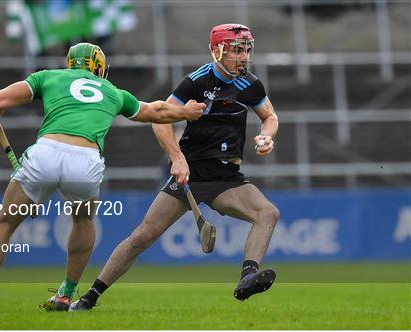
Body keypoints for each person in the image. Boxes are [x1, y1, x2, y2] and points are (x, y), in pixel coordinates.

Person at [0, 42, 205, 313]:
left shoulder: (48, 77)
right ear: (99, 68)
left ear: (69, 63)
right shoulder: (112, 91)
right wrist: (185, 112)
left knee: (3, 224)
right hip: (85, 162)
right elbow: (155, 111)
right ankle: (65, 294)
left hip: (45, 155)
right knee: (83, 220)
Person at [72, 23, 280, 310]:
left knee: (267, 213)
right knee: (142, 237)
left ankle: (248, 277)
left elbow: (270, 117)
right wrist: (177, 157)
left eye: (246, 49)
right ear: (217, 51)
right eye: (236, 50)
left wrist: (266, 137)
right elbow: (161, 119)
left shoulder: (250, 84)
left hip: (228, 178)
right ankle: (89, 297)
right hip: (191, 176)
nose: (244, 56)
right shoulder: (196, 82)